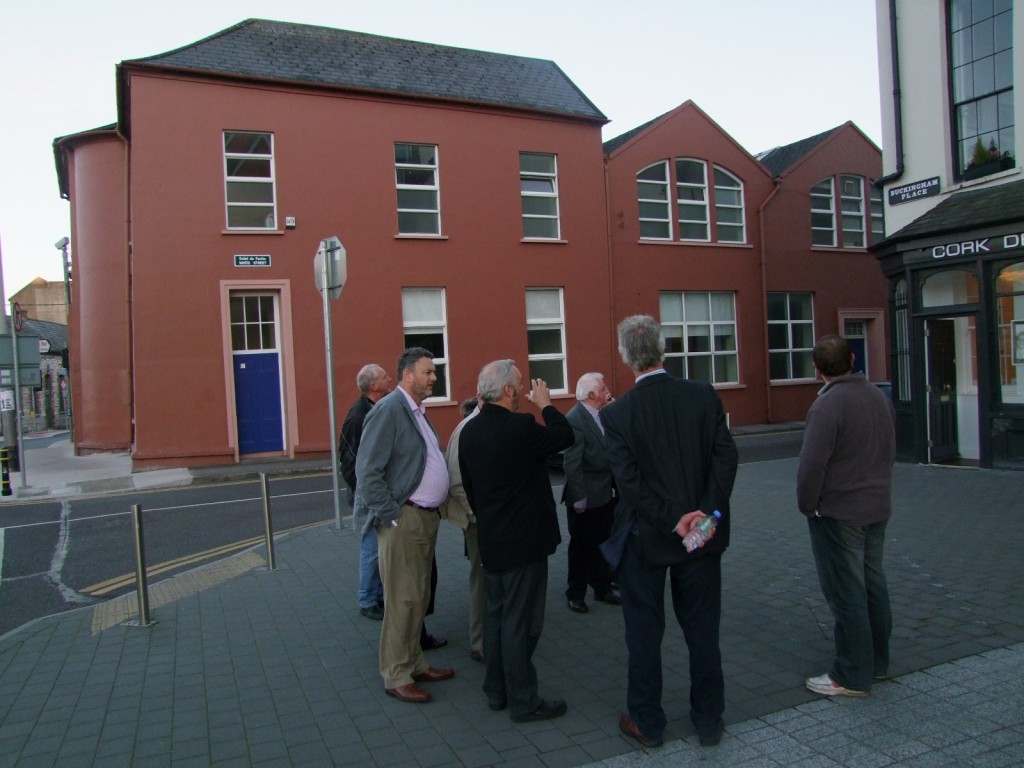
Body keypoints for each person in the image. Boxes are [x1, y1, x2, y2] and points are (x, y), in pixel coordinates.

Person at [601, 315, 738, 749]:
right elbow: (725, 459)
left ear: (626, 357)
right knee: (703, 631)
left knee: (643, 633)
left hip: (649, 538)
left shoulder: (617, 413)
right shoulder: (702, 395)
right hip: (701, 536)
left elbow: (630, 484)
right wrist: (702, 516)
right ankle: (709, 719)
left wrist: (673, 519)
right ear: (663, 350)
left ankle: (647, 722)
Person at [459, 360, 574, 722]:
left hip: (492, 540)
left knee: (495, 617)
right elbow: (564, 437)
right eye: (521, 385)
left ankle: (496, 690)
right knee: (521, 623)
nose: (525, 390)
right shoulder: (521, 425)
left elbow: (471, 489)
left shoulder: (469, 431)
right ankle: (524, 700)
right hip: (524, 543)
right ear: (508, 391)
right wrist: (546, 404)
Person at [797, 334, 896, 698]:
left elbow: (812, 466)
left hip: (840, 513)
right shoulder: (877, 396)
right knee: (873, 584)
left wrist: (808, 505)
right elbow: (889, 446)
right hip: (877, 507)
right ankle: (877, 662)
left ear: (817, 368)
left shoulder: (827, 407)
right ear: (853, 360)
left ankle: (852, 674)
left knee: (846, 592)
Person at [354, 348, 453, 704]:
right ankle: (396, 673)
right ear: (407, 375)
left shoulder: (416, 411)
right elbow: (367, 472)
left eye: (434, 372)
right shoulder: (389, 410)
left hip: (425, 519)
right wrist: (391, 515)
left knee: (419, 597)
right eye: (428, 372)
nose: (434, 378)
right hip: (403, 520)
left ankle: (414, 661)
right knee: (403, 599)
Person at [562, 372, 621, 614]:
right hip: (584, 496)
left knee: (603, 543)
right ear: (590, 394)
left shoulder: (603, 414)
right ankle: (575, 594)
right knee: (581, 548)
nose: (607, 391)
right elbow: (572, 463)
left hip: (604, 493)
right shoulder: (575, 419)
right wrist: (579, 498)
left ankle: (602, 587)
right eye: (603, 388)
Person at [340, 363, 393, 621]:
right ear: (374, 386)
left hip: (371, 489)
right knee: (371, 547)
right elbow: (351, 460)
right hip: (366, 491)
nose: (390, 379)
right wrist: (363, 489)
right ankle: (368, 600)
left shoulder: (375, 408)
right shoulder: (359, 416)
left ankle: (378, 595)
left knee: (378, 546)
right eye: (385, 377)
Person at [442, 396, 486, 662]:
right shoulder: (469, 427)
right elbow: (456, 479)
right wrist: (474, 514)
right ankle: (480, 642)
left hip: (490, 519)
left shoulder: (483, 423)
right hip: (479, 520)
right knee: (480, 579)